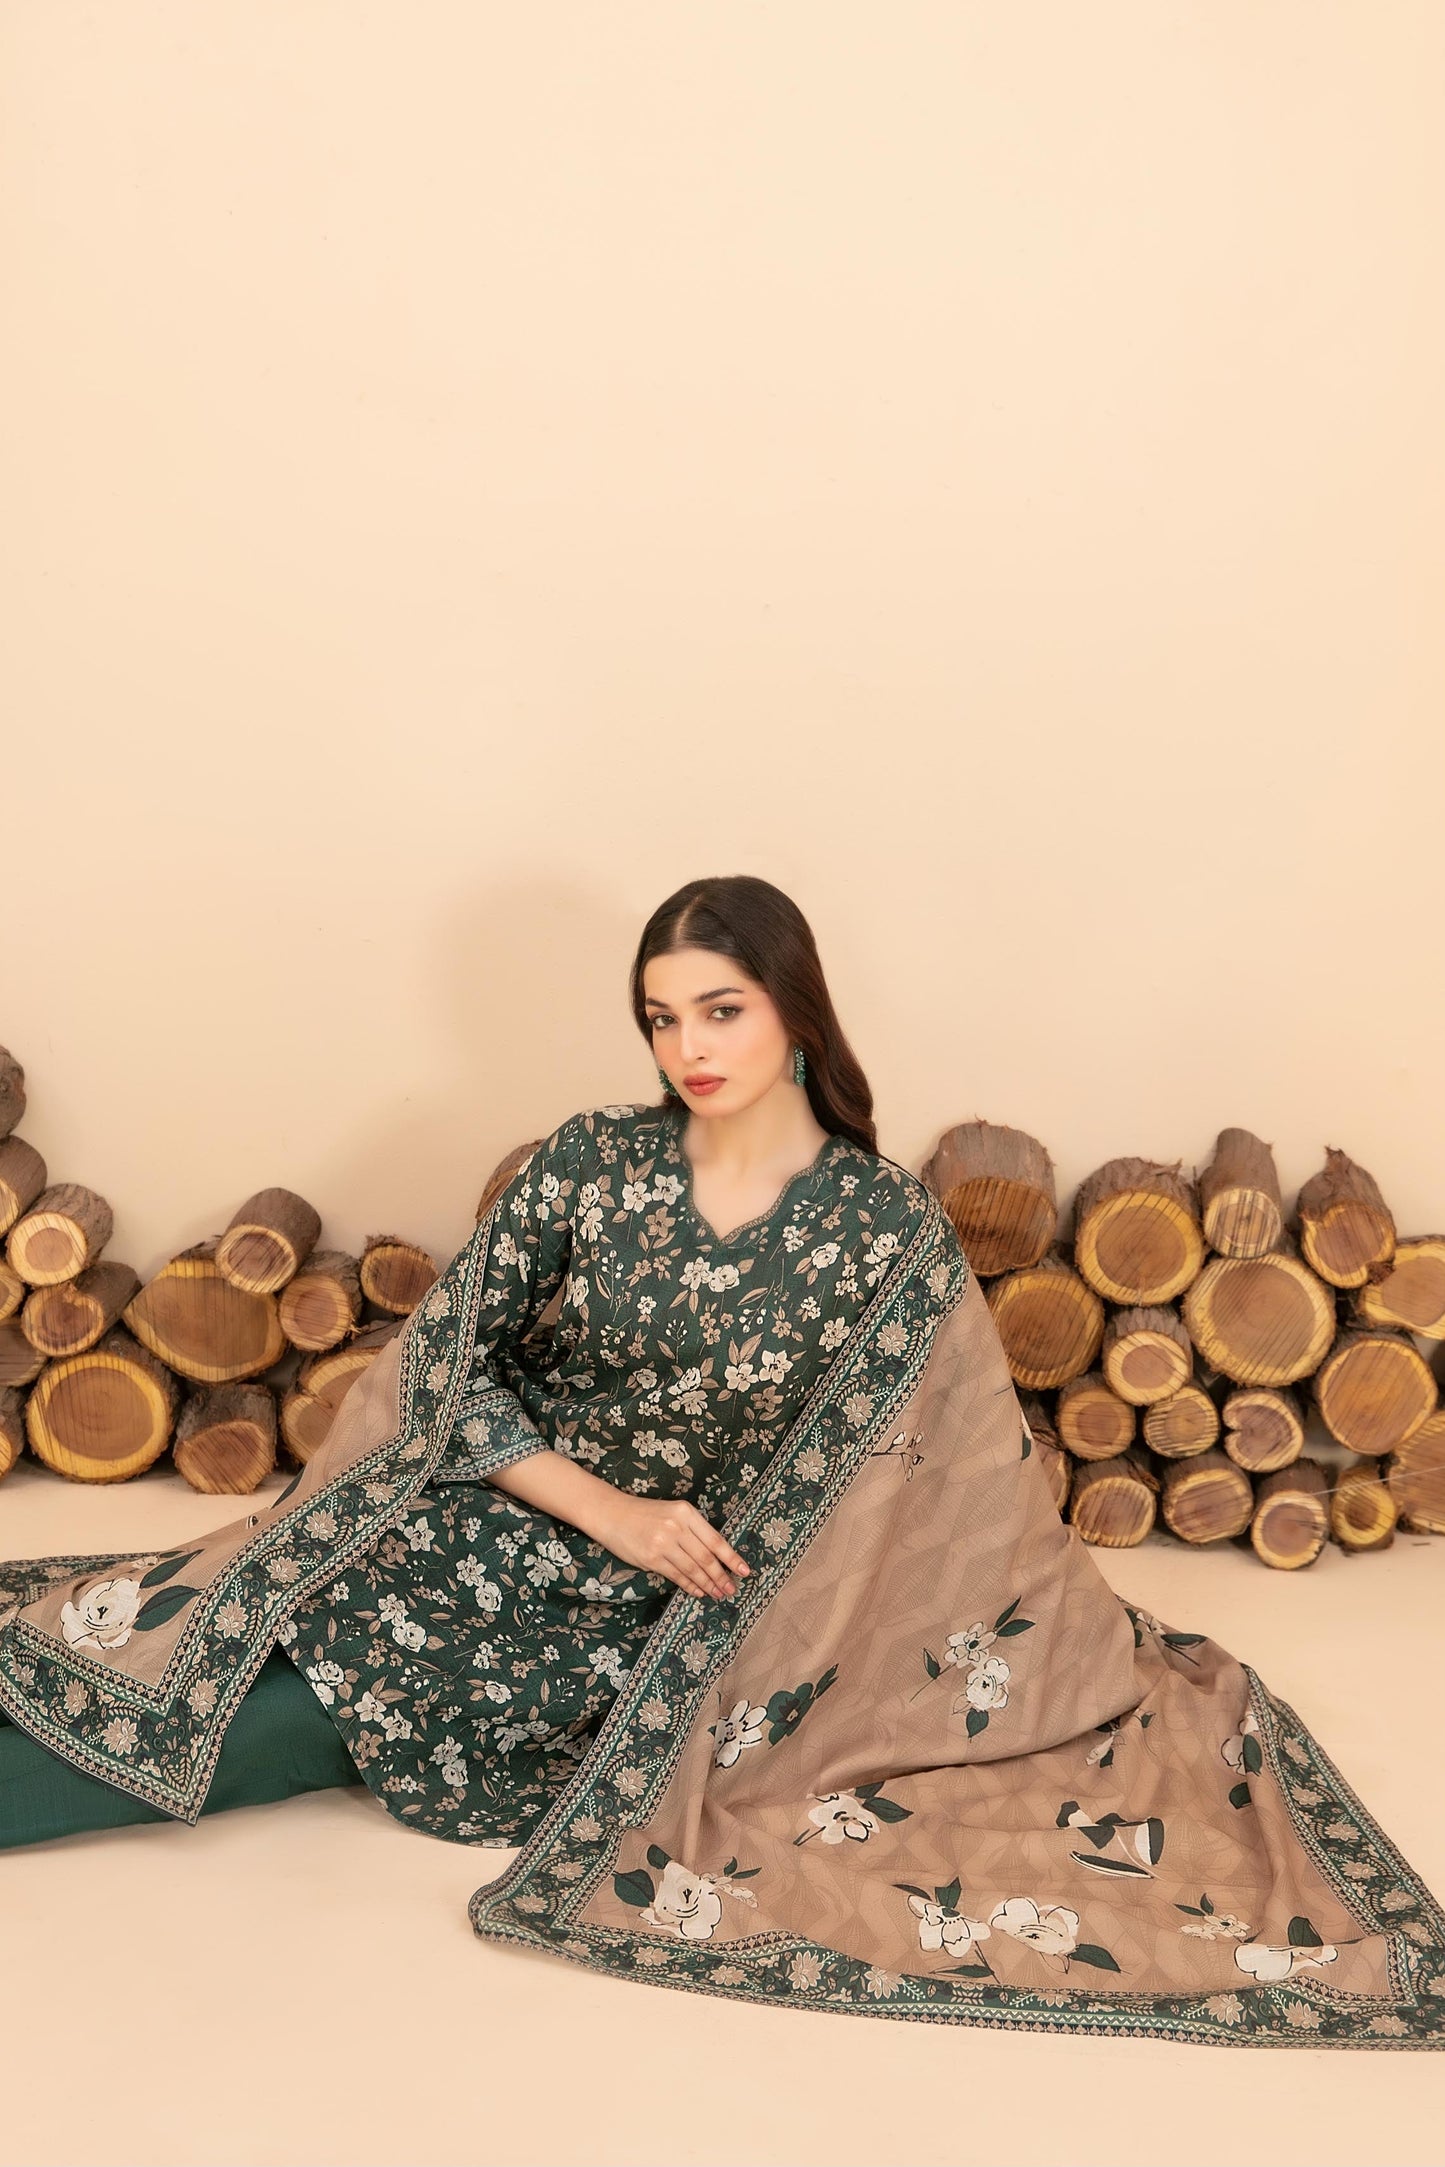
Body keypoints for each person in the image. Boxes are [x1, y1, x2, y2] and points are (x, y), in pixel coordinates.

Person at [3, 874, 1444, 2049]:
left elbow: (947, 1497)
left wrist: (695, 1565)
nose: (686, 1046)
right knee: (234, 1606)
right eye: (658, 1017)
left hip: (692, 1600)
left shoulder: (881, 1231)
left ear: (794, 1012)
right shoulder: (590, 1162)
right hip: (521, 1498)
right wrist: (605, 1508)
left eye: (720, 1008)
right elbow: (444, 1365)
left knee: (331, 1706)